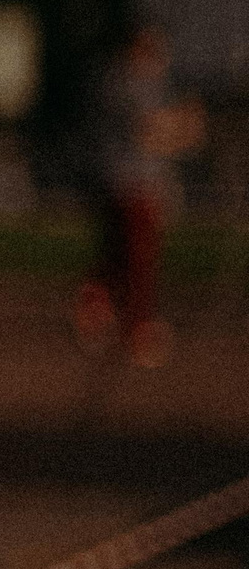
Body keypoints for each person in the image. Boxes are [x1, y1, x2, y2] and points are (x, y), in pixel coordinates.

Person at [75, 21, 201, 367]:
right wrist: (182, 125)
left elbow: (168, 133)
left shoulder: (142, 83)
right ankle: (139, 328)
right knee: (140, 255)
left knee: (119, 252)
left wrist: (178, 128)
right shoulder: (127, 82)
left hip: (131, 180)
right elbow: (151, 131)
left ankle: (95, 307)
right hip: (129, 181)